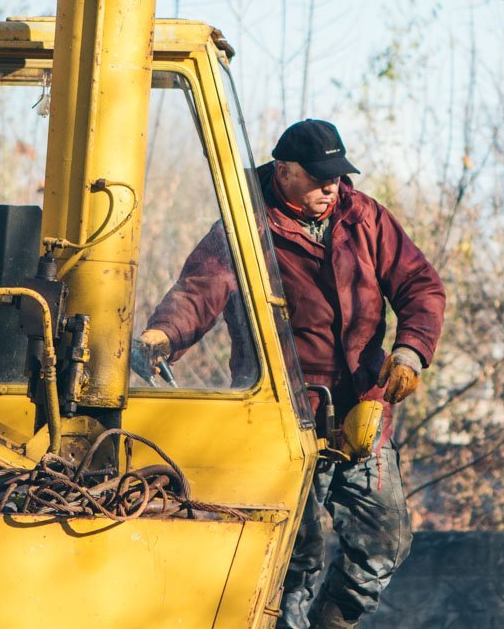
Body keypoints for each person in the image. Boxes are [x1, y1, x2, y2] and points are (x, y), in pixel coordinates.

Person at [137, 118, 445, 629]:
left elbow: (421, 286)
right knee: (291, 563)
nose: (332, 187)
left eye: (337, 176)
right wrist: (163, 337)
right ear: (283, 171)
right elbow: (198, 293)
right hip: (283, 425)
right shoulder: (244, 226)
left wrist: (411, 351)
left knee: (384, 545)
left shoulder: (364, 217)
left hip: (364, 419)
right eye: (320, 177)